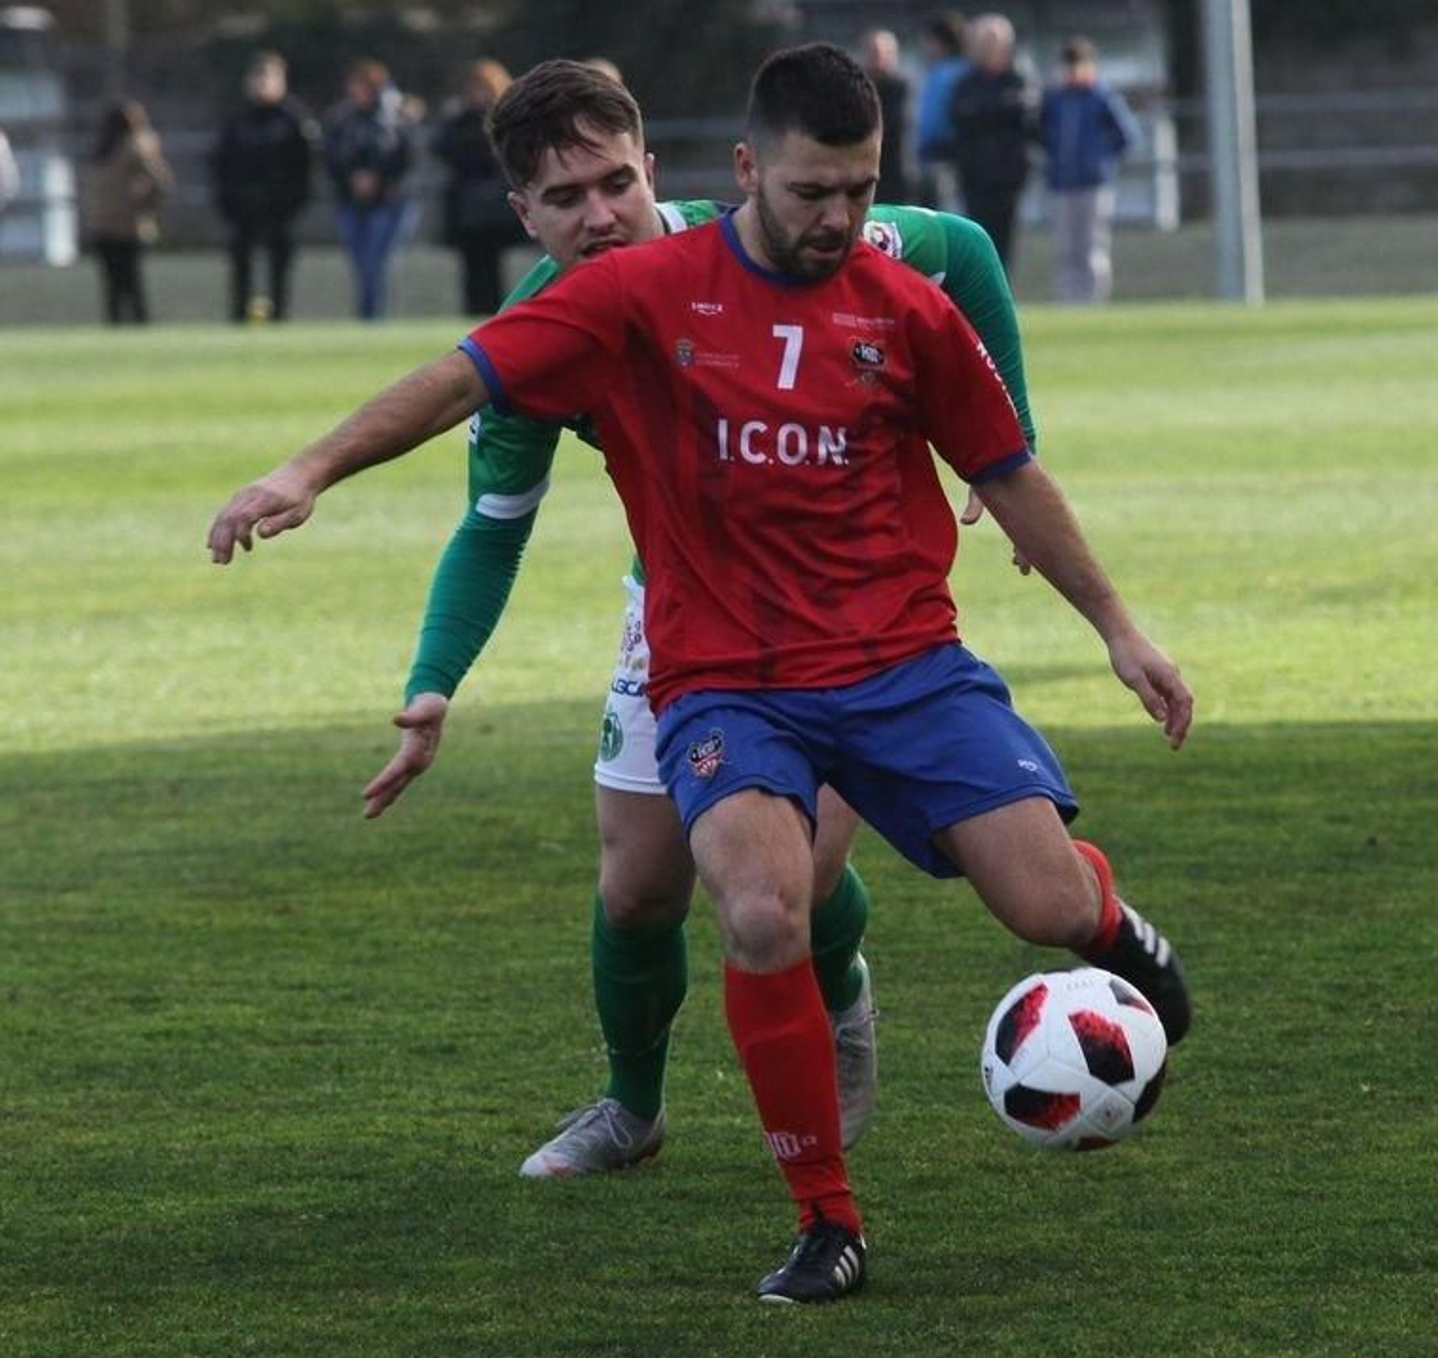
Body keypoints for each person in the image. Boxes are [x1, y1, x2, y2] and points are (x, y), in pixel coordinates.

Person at [206, 43, 1193, 1306]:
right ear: (745, 173)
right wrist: (305, 473)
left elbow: (1004, 468)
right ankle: (823, 1215)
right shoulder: (631, 293)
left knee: (1045, 909)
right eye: (808, 195)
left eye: (856, 191)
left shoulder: (904, 295)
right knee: (756, 907)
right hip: (723, 673)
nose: (835, 218)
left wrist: (1117, 626)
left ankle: (1117, 932)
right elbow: (461, 379)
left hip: (902, 660)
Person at [357, 59, 1044, 1181]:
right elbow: (491, 525)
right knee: (636, 885)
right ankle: (632, 1107)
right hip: (682, 605)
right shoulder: (542, 333)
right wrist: (433, 683)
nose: (598, 215)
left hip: (837, 608)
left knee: (796, 875)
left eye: (613, 183)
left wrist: (1008, 444)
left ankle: (841, 988)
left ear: (653, 171)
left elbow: (959, 249)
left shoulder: (768, 241)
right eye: (564, 198)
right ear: (520, 212)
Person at [211, 51, 317, 323]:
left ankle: (280, 316)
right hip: (243, 207)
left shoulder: (294, 121)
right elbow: (221, 164)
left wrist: (294, 201)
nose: (262, 84)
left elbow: (305, 166)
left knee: (279, 266)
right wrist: (229, 201)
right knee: (241, 265)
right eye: (257, 78)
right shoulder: (237, 121)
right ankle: (238, 315)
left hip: (280, 208)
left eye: (268, 78)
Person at [1039, 37, 1141, 304]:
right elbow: (1041, 134)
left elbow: (1126, 136)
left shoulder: (1101, 98)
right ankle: (1067, 300)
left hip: (1093, 184)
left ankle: (1092, 300)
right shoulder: (1055, 100)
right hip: (1061, 183)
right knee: (1065, 247)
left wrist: (1101, 159)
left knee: (1092, 245)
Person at [431, 58, 524, 315]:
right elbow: (441, 148)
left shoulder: (506, 119)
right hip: (468, 206)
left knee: (495, 267)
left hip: (497, 203)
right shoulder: (459, 120)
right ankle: (474, 312)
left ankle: (498, 312)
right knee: (472, 265)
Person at [323, 58, 414, 320]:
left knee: (378, 262)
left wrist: (379, 179)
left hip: (386, 201)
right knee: (361, 264)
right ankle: (367, 315)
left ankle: (375, 316)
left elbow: (405, 160)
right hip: (350, 202)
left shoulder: (394, 121)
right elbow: (330, 159)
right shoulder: (341, 121)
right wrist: (351, 179)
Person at [949, 13, 1035, 273]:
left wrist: (986, 112)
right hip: (974, 174)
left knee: (1004, 242)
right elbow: (961, 117)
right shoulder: (966, 83)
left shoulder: (1018, 79)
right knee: (978, 239)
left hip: (1008, 176)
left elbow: (1024, 116)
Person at [81, 99, 173, 325]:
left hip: (103, 224)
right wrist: (146, 206)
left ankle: (116, 324)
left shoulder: (101, 148)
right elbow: (162, 181)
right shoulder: (135, 146)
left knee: (114, 283)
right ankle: (138, 323)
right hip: (127, 224)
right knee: (131, 282)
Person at [914, 11, 967, 211]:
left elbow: (934, 120)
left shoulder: (951, 73)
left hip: (945, 156)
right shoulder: (938, 71)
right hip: (934, 156)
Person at [859, 29, 909, 203]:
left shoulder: (903, 88)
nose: (878, 57)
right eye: (873, 52)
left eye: (883, 52)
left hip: (897, 168)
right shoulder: (857, 89)